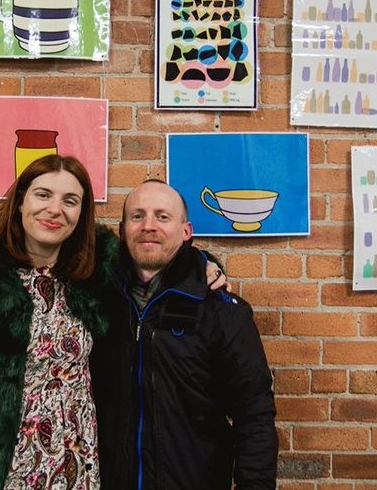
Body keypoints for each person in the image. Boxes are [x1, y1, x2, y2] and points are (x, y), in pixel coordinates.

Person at [0, 157, 226, 489]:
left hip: (80, 469)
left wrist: (202, 265)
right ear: (20, 202)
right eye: (43, 195)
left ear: (81, 214)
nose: (55, 209)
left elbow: (158, 257)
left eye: (70, 201)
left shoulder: (99, 271)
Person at [91, 179, 278, 490]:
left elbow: (254, 414)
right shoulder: (95, 303)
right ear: (121, 231)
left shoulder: (221, 310)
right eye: (137, 216)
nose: (148, 225)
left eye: (162, 217)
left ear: (186, 232)